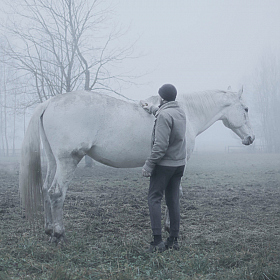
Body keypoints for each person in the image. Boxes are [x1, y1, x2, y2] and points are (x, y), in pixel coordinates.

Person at [141, 84, 187, 253]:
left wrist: (149, 164)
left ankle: (157, 241)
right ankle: (173, 240)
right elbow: (165, 113)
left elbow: (160, 145)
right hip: (179, 165)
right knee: (173, 200)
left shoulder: (164, 116)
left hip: (164, 166)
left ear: (161, 97)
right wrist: (152, 108)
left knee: (154, 198)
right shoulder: (180, 112)